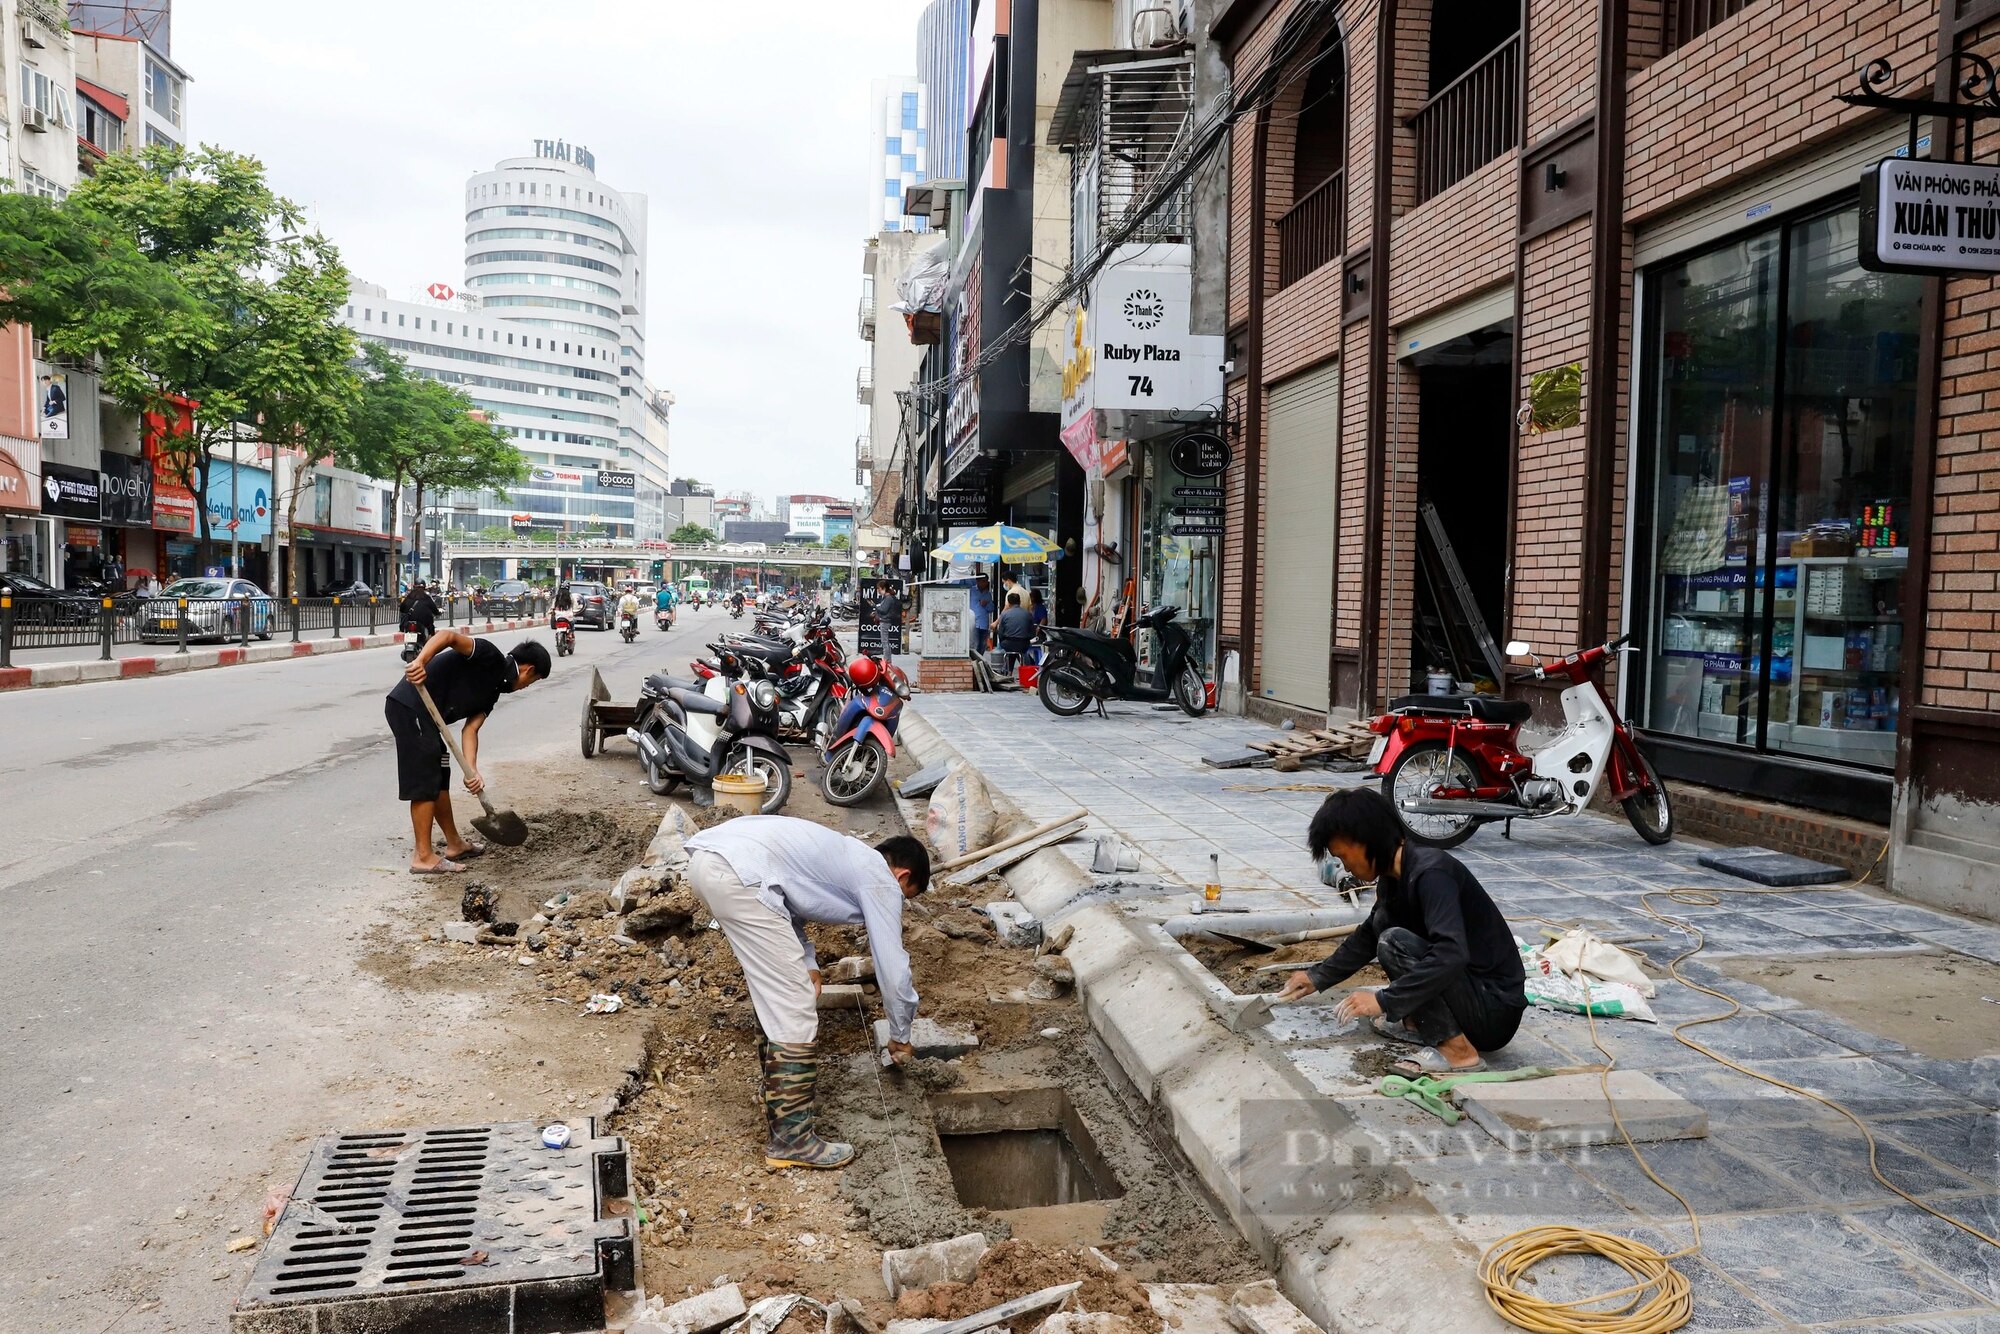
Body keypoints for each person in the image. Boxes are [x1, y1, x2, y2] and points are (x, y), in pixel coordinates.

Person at [684, 816, 932, 1170]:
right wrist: (900, 1035)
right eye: (905, 897)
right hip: (740, 874)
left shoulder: (845, 857)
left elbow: (786, 904)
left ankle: (778, 1095)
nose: (898, 903)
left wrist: (809, 962)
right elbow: (892, 969)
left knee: (777, 990)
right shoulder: (881, 880)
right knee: (794, 1006)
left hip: (715, 863)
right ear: (903, 877)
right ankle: (791, 1140)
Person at [1277, 788, 1525, 1075]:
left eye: (1343, 856)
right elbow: (1369, 934)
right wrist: (1316, 977)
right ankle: (1420, 1022)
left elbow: (1452, 953)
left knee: (1395, 943)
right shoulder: (1393, 877)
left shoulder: (1432, 873)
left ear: (1365, 840)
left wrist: (1384, 1001)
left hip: (1493, 1009)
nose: (1345, 866)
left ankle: (1458, 1051)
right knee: (1384, 928)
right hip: (1473, 997)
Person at [386, 630, 550, 875]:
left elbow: (471, 729)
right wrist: (421, 661)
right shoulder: (489, 656)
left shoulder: (493, 692)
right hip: (410, 706)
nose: (526, 687)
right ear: (528, 670)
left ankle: (454, 844)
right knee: (425, 778)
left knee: (441, 774)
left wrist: (471, 770)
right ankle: (422, 856)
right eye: (533, 680)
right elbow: (448, 637)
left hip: (428, 718)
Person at [996, 591, 1035, 665]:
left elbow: (1001, 633)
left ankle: (1009, 671)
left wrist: (1002, 641)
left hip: (1008, 643)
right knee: (1019, 650)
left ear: (1009, 603)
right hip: (1023, 644)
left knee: (1010, 649)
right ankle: (1025, 667)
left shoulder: (1004, 614)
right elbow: (1032, 632)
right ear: (1019, 602)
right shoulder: (1028, 614)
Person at [969, 574, 994, 653]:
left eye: (986, 581)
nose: (985, 583)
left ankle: (980, 662)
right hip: (973, 623)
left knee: (982, 645)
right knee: (975, 645)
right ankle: (974, 663)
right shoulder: (971, 591)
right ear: (977, 581)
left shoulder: (988, 594)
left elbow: (991, 609)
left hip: (984, 624)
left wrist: (986, 604)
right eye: (983, 581)